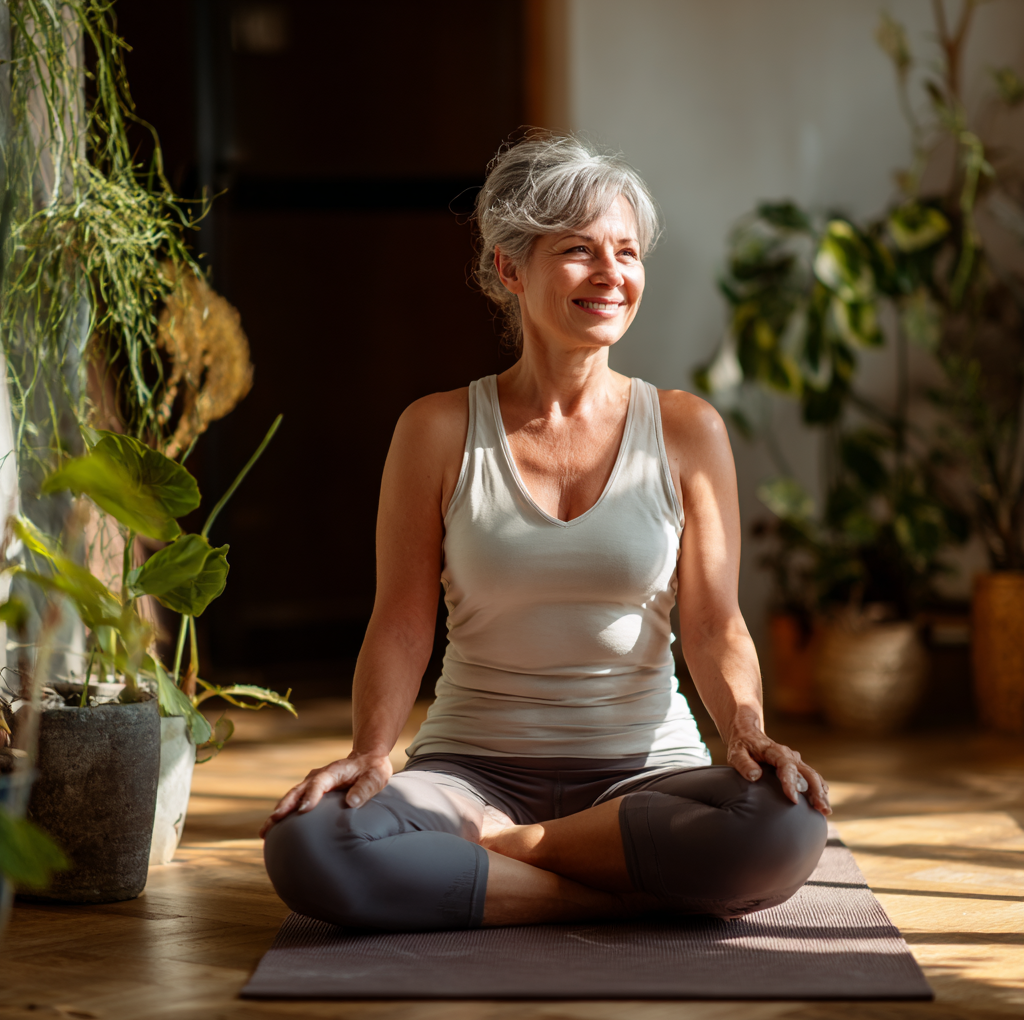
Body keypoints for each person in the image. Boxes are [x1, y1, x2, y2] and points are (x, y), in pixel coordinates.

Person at [261, 135, 831, 932]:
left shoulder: (685, 429)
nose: (612, 274)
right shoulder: (437, 429)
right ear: (508, 269)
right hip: (468, 775)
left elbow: (713, 621)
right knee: (309, 842)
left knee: (785, 823)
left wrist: (747, 730)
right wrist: (371, 750)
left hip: (645, 781)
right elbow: (400, 618)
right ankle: (614, 896)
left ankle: (504, 860)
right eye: (579, 251)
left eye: (627, 252)